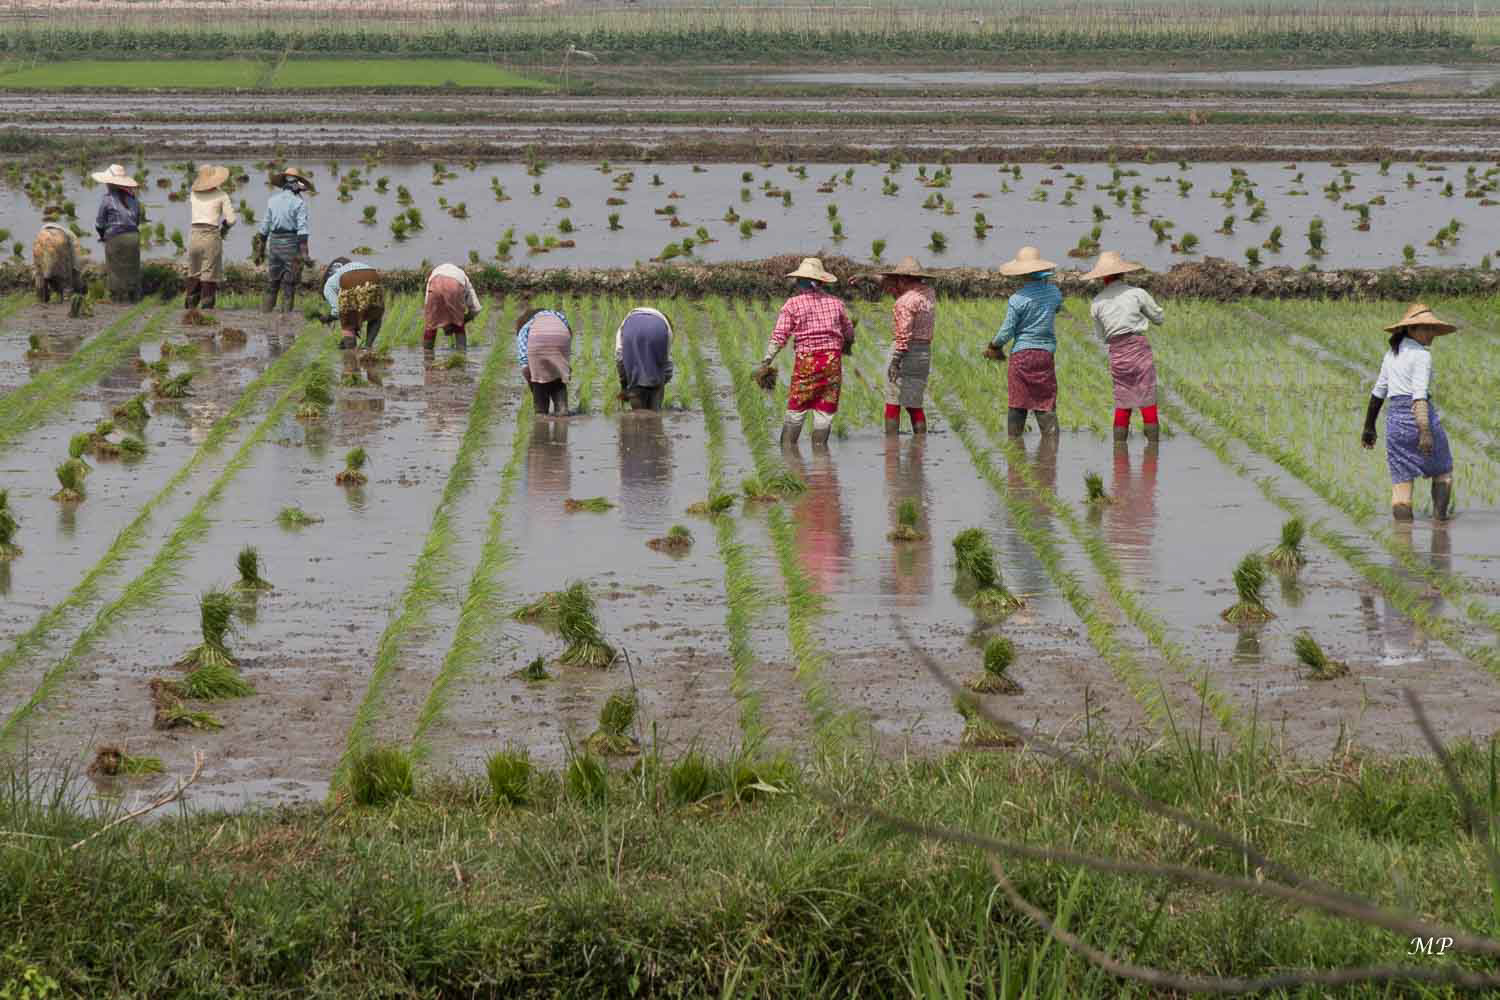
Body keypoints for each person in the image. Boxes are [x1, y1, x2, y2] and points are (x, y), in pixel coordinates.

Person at [1361, 303, 1457, 522]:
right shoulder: (1422, 355)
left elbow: (1378, 393)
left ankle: (1402, 540)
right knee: (1443, 470)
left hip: (1395, 422)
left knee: (1401, 483)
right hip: (1418, 417)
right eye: (1425, 328)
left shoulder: (1392, 353)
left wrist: (1369, 427)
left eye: (1432, 329)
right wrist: (1424, 431)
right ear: (1410, 330)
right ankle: (1439, 523)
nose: (1430, 333)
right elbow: (1419, 396)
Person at [754, 257, 855, 448]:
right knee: (825, 410)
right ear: (822, 281)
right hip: (831, 362)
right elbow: (848, 331)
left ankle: (788, 451)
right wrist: (847, 344)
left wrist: (767, 360)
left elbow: (779, 335)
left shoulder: (792, 304)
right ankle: (820, 455)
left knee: (797, 407)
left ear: (803, 281)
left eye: (799, 280)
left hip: (807, 362)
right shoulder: (836, 303)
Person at [1085, 251, 1165, 443]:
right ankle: (1152, 451)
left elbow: (1101, 337)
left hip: (1118, 353)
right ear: (1123, 273)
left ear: (1103, 277)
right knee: (1147, 401)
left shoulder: (1097, 303)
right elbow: (1159, 318)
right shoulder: (1137, 293)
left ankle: (1119, 455)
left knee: (1123, 401)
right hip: (1138, 350)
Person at [985, 246, 1062, 438]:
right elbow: (1057, 308)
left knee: (1018, 402)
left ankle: (1015, 445)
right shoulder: (1054, 293)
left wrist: (994, 345)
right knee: (1045, 401)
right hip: (1045, 354)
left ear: (1021, 274)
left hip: (1022, 355)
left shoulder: (1017, 299)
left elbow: (1007, 331)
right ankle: (1050, 448)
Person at [878, 255, 937, 436]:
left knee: (893, 400)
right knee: (915, 403)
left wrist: (896, 361)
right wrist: (868, 277)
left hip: (905, 353)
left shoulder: (904, 302)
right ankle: (920, 446)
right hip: (923, 354)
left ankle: (891, 448)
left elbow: (903, 335)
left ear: (903, 279)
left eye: (896, 280)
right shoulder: (928, 293)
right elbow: (897, 290)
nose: (892, 284)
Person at [254, 166, 313, 313]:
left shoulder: (272, 201)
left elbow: (263, 229)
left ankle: (266, 317)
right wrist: (305, 254)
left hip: (274, 244)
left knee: (272, 283)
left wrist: (259, 251)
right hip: (291, 244)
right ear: (297, 185)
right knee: (289, 284)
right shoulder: (299, 203)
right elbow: (302, 230)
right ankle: (286, 322)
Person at [184, 164, 236, 311]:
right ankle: (206, 312)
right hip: (211, 235)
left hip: (194, 235)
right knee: (209, 275)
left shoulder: (193, 194)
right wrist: (224, 226)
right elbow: (231, 219)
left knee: (193, 273)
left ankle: (189, 312)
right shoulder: (221, 195)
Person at [91, 163, 142, 303]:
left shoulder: (107, 199)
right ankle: (133, 297)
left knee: (114, 268)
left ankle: (117, 298)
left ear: (110, 184)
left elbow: (99, 223)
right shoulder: (133, 199)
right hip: (134, 236)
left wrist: (102, 236)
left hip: (116, 236)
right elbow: (137, 220)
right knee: (132, 267)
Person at [516, 306, 573, 416]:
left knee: (538, 382)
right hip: (561, 338)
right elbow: (568, 332)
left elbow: (523, 355)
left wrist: (531, 378)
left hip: (537, 342)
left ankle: (541, 414)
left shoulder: (528, 324)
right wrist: (563, 365)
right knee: (558, 380)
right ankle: (562, 410)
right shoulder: (556, 315)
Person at [615, 307, 674, 411]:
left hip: (631, 330)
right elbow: (667, 365)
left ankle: (638, 415)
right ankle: (655, 416)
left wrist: (625, 386)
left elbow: (620, 358)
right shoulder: (666, 327)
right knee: (657, 383)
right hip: (658, 330)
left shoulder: (624, 324)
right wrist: (658, 383)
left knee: (635, 387)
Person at [320, 257, 383, 350]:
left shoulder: (328, 285)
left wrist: (329, 317)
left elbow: (337, 310)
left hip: (349, 278)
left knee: (347, 321)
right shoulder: (346, 269)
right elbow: (359, 305)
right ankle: (368, 348)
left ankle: (351, 356)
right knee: (375, 315)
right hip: (373, 274)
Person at [422, 262, 483, 355]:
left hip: (435, 282)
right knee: (459, 326)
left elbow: (427, 305)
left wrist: (434, 319)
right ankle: (461, 356)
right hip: (455, 283)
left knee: (430, 327)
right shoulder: (463, 276)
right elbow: (476, 309)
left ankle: (427, 358)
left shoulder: (433, 275)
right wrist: (462, 320)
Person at [31, 222, 83, 309]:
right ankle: (66, 299)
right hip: (59, 239)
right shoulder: (71, 236)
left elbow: (37, 265)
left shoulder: (43, 231)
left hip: (40, 238)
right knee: (65, 275)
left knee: (41, 273)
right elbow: (76, 259)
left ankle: (41, 299)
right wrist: (74, 270)